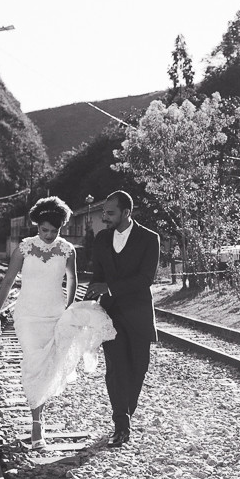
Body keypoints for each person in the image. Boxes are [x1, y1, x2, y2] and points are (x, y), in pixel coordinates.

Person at [0, 196, 115, 449]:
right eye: (44, 230)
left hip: (55, 315)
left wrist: (69, 310)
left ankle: (38, 422)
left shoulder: (67, 250)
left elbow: (72, 280)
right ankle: (37, 426)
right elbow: (8, 281)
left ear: (61, 229)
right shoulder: (23, 248)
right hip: (27, 316)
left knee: (48, 367)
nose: (48, 235)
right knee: (34, 363)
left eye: (54, 231)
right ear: (37, 227)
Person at [85, 190, 161, 448]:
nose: (104, 217)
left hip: (138, 315)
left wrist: (110, 287)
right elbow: (97, 278)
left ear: (126, 213)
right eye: (104, 212)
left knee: (138, 370)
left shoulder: (150, 239)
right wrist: (86, 306)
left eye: (110, 213)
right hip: (111, 316)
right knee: (116, 371)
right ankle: (121, 425)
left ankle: (126, 415)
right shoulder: (101, 239)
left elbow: (145, 279)